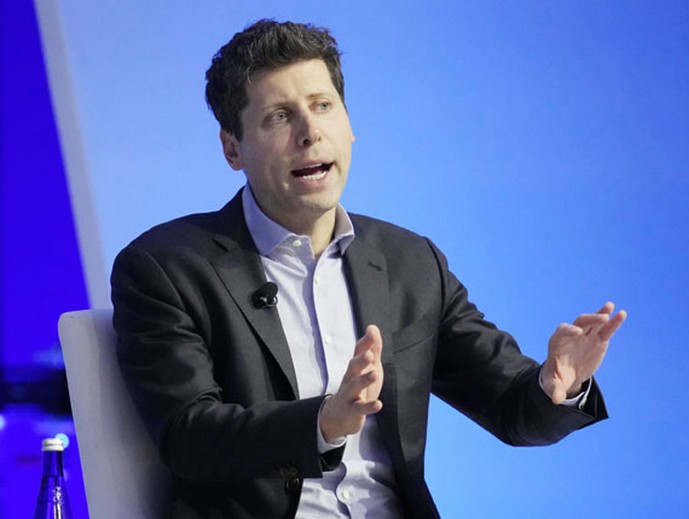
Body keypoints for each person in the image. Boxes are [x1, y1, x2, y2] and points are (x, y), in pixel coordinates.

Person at [111, 19, 626, 519]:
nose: (310, 133)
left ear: (350, 124)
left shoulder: (409, 262)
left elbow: (512, 410)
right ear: (232, 148)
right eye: (279, 116)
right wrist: (323, 422)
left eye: (323, 106)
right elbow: (190, 437)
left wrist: (558, 385)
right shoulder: (167, 267)